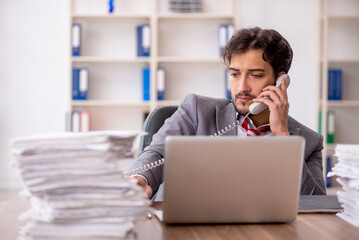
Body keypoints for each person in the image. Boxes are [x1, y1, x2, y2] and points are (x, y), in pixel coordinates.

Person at [130, 27, 326, 201]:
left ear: (281, 80)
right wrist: (140, 178)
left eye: (255, 75)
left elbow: (315, 204)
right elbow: (157, 153)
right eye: (234, 74)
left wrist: (283, 137)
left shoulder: (309, 142)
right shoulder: (197, 110)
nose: (242, 87)